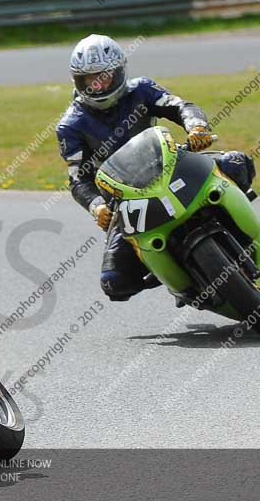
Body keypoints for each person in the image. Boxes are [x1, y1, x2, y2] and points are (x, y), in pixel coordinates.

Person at [57, 34, 255, 301]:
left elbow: (182, 106)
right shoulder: (71, 125)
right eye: (89, 80)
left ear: (119, 72)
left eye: (104, 77)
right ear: (77, 81)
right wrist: (97, 206)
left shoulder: (141, 89)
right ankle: (176, 275)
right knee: (115, 283)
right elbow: (78, 179)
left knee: (237, 162)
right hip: (124, 198)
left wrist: (196, 126)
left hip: (169, 165)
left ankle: (244, 231)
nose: (98, 85)